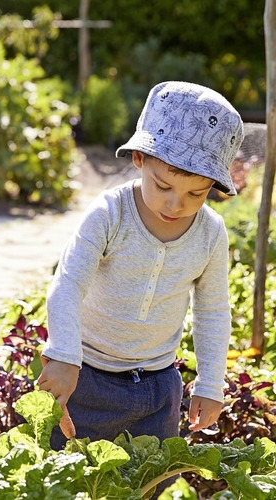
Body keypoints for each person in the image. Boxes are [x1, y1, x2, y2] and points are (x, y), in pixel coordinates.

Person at [38, 81, 244, 450]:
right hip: (86, 377)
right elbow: (68, 283)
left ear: (213, 185)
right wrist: (64, 355)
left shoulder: (211, 233)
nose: (174, 205)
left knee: (146, 483)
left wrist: (211, 384)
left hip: (158, 386)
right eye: (162, 186)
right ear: (139, 159)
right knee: (67, 476)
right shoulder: (109, 213)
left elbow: (212, 311)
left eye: (195, 194)